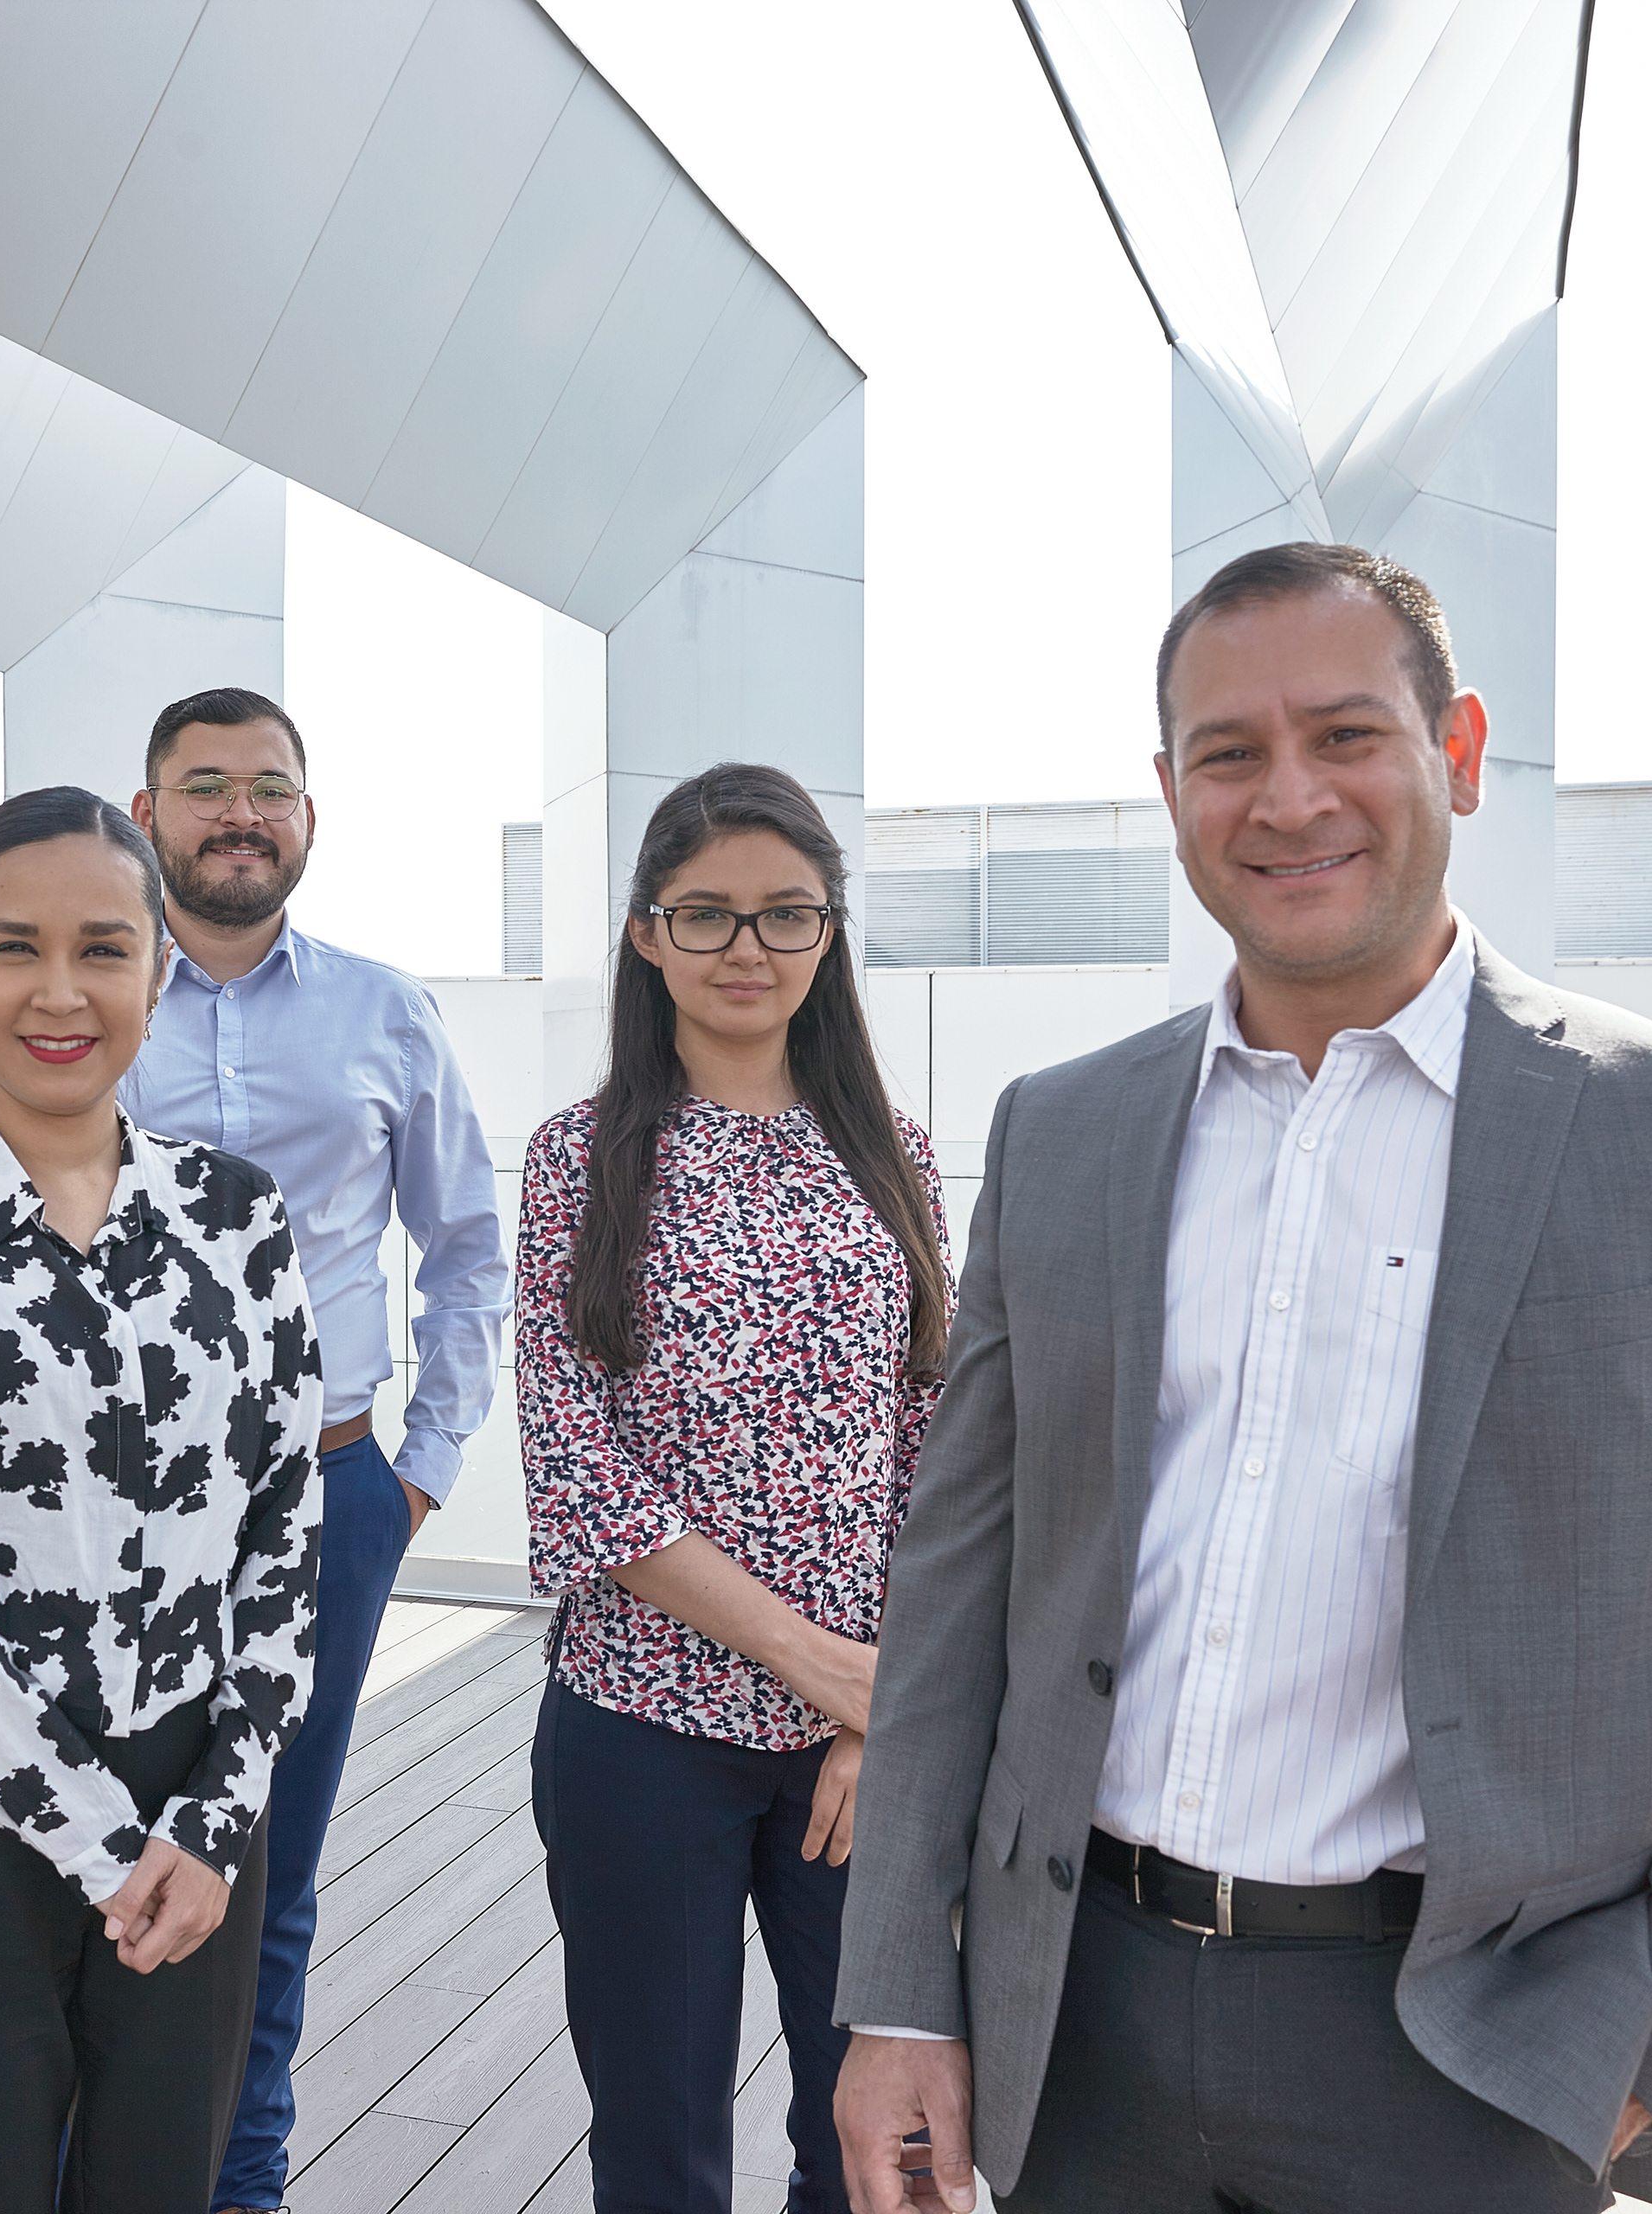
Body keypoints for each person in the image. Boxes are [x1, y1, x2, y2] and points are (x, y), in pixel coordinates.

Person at [831, 543, 1652, 2212]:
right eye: (1229, 752)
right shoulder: (1062, 1132)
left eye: (1346, 735)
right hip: (1075, 2023)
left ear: (1460, 750)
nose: (1288, 797)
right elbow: (957, 1581)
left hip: (1477, 2058)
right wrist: (897, 1992)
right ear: (1172, 792)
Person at [0, 784, 325, 2214]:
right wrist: (96, 1841)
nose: (59, 992)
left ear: (159, 966)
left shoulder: (236, 1215)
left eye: (103, 948)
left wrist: (212, 1821)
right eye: (14, 947)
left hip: (191, 1815)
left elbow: (282, 1538)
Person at [515, 763, 952, 2214]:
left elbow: (938, 1452)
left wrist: (876, 1708)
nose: (747, 948)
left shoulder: (897, 1159)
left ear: (830, 932)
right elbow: (579, 1469)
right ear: (648, 935)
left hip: (865, 1748)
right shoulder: (578, 1159)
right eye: (706, 915)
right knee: (659, 2146)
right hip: (642, 1726)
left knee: (877, 2147)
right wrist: (821, 1665)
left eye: (786, 914)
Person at [114, 687, 507, 2214]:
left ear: (309, 819)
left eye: (269, 788)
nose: (241, 814)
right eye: (206, 785)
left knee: (269, 1866)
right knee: (102, 1846)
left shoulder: (384, 1011)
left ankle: (243, 2187)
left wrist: (420, 1470)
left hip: (329, 1493)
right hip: (104, 1511)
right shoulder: (88, 998)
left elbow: (466, 1248)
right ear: (146, 814)